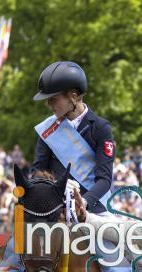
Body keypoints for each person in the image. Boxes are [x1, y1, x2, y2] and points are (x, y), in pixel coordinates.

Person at [32, 60, 115, 215]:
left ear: (73, 97)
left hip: (94, 209)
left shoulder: (101, 128)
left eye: (53, 99)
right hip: (56, 210)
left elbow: (104, 179)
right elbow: (37, 173)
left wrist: (83, 202)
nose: (49, 104)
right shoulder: (48, 129)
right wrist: (57, 186)